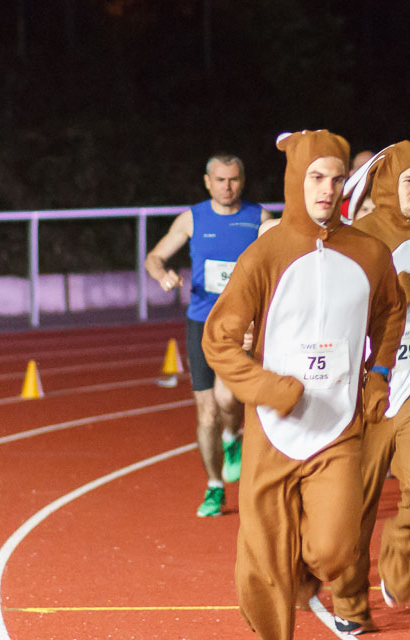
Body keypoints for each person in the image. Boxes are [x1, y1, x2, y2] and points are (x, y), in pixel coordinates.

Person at [201, 129, 406, 640]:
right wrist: (268, 388)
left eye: (336, 179)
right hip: (273, 431)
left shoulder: (370, 253)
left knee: (335, 550)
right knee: (264, 562)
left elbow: (391, 314)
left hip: (337, 428)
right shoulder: (265, 254)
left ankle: (305, 575)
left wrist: (379, 376)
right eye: (316, 177)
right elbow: (219, 340)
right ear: (296, 179)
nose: (327, 190)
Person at [329, 141, 410, 635]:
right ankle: (349, 604)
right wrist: (388, 298)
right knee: (353, 506)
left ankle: (401, 545)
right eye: (408, 181)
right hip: (368, 388)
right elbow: (337, 306)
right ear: (387, 185)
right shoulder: (360, 235)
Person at [144, 153, 271, 517]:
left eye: (233, 180)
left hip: (243, 325)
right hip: (201, 323)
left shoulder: (259, 219)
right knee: (206, 411)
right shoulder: (192, 218)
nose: (227, 187)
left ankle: (233, 437)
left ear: (242, 181)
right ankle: (214, 487)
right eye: (220, 180)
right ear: (207, 182)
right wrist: (162, 274)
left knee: (229, 401)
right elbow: (155, 256)